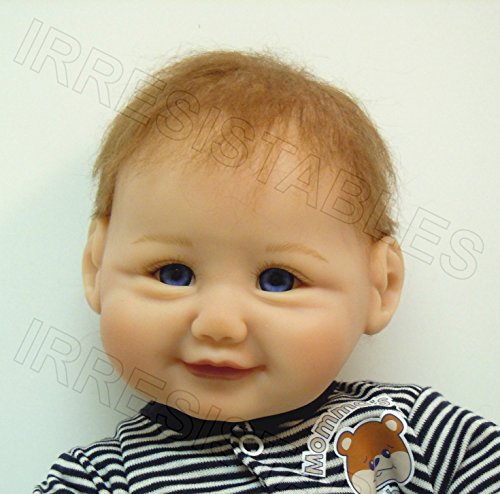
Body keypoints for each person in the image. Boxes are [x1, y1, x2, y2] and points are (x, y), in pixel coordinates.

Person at [34, 49, 499, 494]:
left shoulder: (408, 433)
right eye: (173, 273)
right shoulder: (102, 477)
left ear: (380, 286)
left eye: (278, 280)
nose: (219, 324)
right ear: (97, 267)